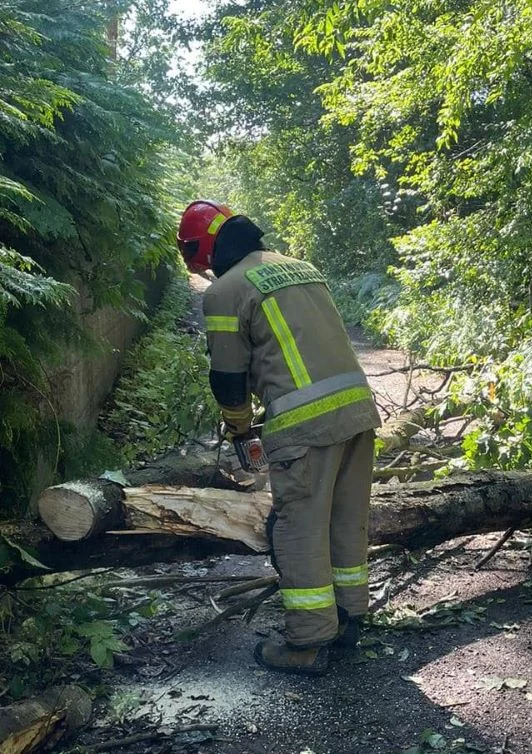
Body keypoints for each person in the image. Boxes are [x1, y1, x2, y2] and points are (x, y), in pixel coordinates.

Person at [176, 199, 382, 676]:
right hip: (357, 408)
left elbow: (228, 378)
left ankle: (307, 642)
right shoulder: (299, 268)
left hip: (305, 424)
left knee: (298, 528)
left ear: (200, 248)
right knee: (345, 519)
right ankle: (348, 616)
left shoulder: (225, 290)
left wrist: (240, 429)